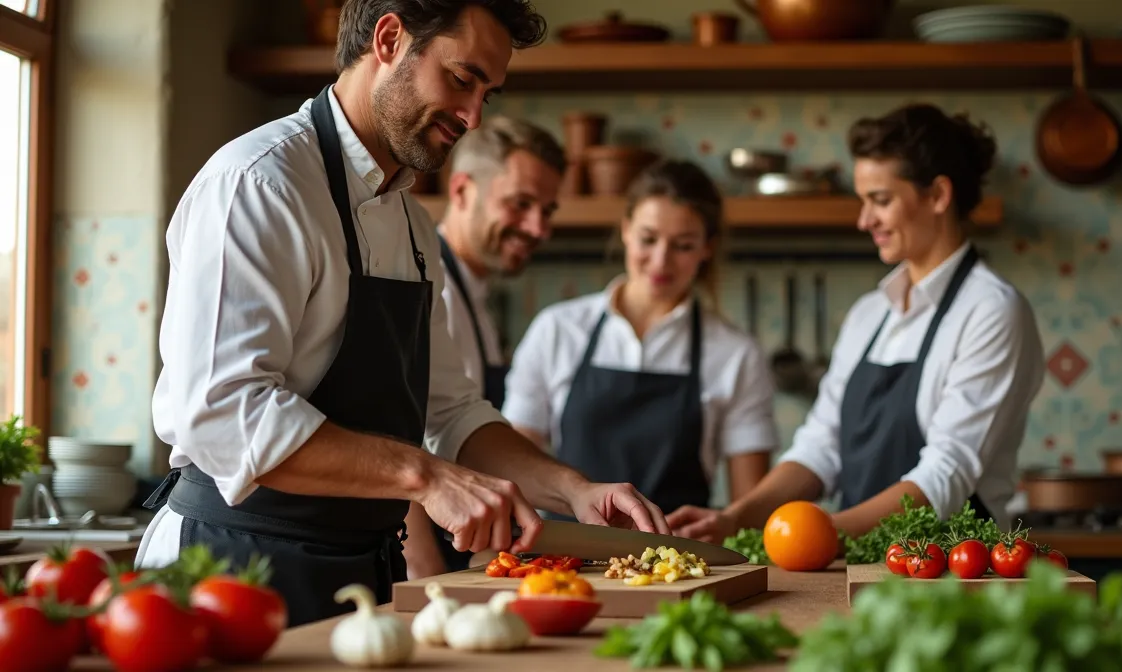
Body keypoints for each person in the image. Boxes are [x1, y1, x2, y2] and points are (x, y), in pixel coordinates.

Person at [138, 0, 668, 628]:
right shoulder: (261, 184)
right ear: (389, 39)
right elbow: (223, 411)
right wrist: (424, 477)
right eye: (462, 78)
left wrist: (572, 490)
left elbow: (449, 412)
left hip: (361, 575)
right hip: (227, 569)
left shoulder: (412, 226)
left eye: (487, 94)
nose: (473, 116)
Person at [668, 104, 1045, 543]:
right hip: (855, 566)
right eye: (863, 201)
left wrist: (817, 532)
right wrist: (737, 517)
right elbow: (822, 445)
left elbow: (947, 473)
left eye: (880, 201)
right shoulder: (870, 314)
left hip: (949, 569)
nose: (864, 220)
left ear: (939, 195)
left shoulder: (991, 310)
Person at [500, 159, 777, 519]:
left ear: (707, 247)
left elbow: (748, 512)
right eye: (648, 239)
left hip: (677, 566)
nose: (661, 261)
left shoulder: (736, 354)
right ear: (626, 230)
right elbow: (514, 463)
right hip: (566, 561)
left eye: (684, 245)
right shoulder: (557, 329)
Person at [410, 116, 565, 578]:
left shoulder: (475, 295)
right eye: (520, 204)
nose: (538, 227)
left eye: (548, 210)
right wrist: (427, 583)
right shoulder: (432, 289)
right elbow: (403, 454)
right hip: (427, 560)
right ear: (461, 191)